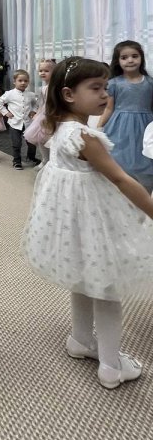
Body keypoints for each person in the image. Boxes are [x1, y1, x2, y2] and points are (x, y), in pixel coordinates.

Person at [21, 57, 153, 390]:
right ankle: (111, 365)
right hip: (92, 220)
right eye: (96, 88)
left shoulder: (59, 126)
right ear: (68, 94)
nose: (105, 95)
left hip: (71, 221)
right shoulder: (85, 137)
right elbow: (121, 179)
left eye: (105, 87)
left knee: (82, 277)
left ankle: (81, 339)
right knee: (107, 288)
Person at [97, 40, 153, 192]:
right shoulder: (114, 83)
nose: (130, 60)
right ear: (118, 61)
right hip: (119, 127)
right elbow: (109, 108)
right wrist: (99, 127)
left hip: (145, 127)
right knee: (119, 157)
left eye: (135, 56)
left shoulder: (150, 83)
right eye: (124, 57)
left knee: (145, 158)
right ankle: (121, 191)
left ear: (141, 58)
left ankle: (143, 194)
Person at [0, 69, 38, 169]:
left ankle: (31, 157)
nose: (23, 83)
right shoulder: (9, 94)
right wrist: (6, 113)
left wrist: (33, 110)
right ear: (14, 82)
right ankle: (17, 161)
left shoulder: (31, 94)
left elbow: (36, 103)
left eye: (25, 81)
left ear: (28, 82)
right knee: (16, 143)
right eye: (20, 80)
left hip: (28, 123)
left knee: (32, 142)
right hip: (14, 123)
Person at [23, 58, 57, 170]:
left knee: (52, 140)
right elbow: (42, 103)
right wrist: (37, 114)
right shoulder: (43, 88)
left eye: (46, 71)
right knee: (41, 139)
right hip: (44, 115)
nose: (42, 73)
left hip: (54, 116)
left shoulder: (56, 87)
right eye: (40, 71)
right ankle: (45, 159)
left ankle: (53, 162)